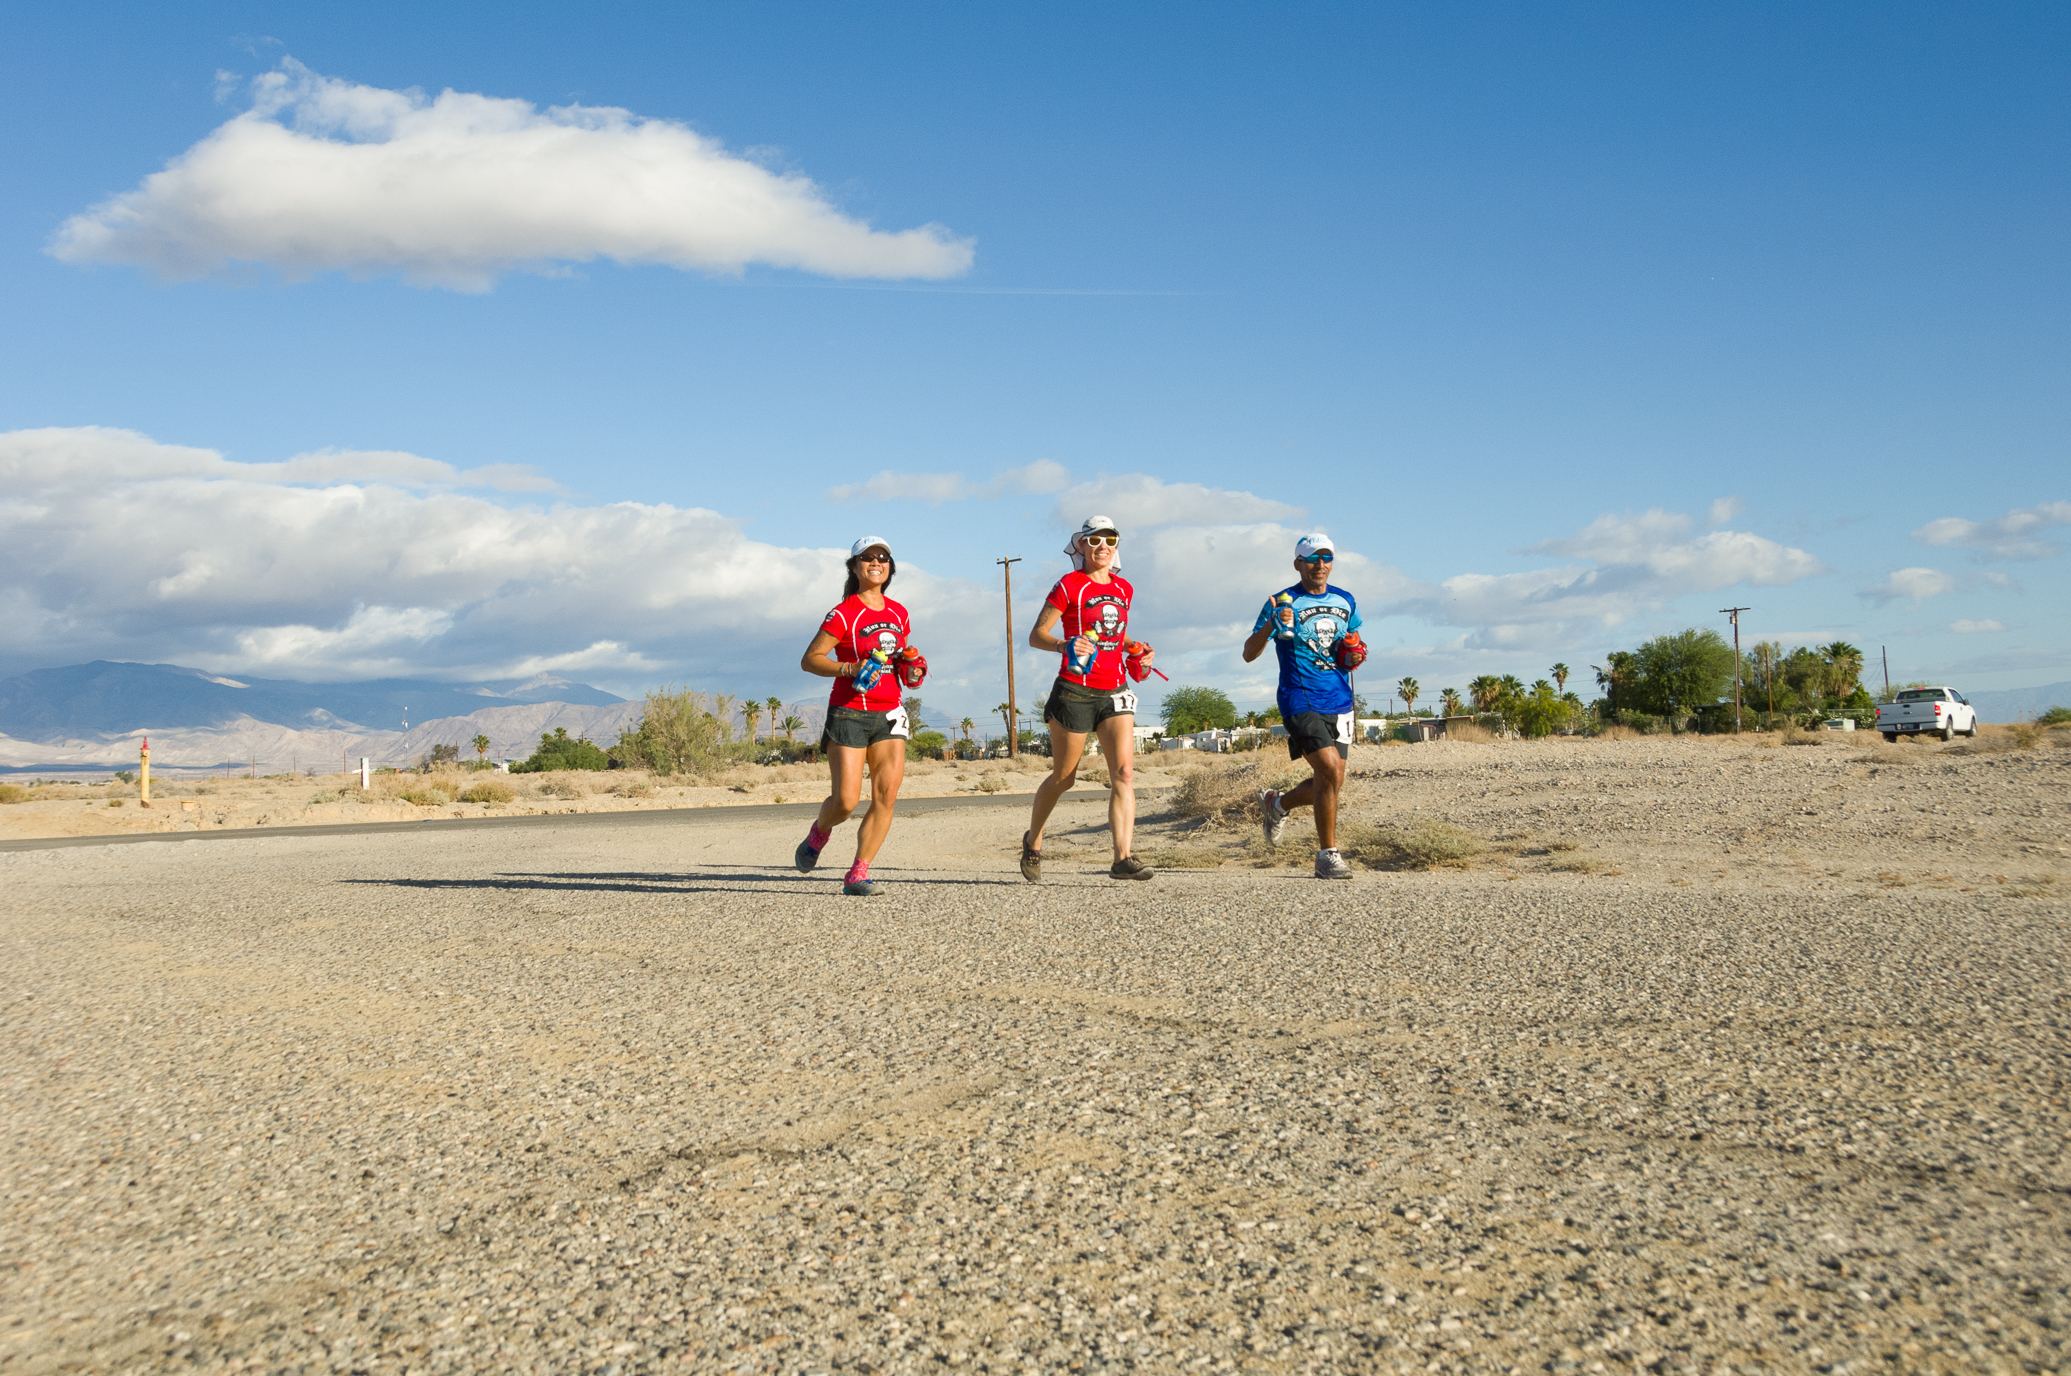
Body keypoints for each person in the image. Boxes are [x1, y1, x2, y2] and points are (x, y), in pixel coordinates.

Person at [1021, 515, 1157, 882]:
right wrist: (1065, 644)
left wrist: (1138, 651)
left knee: (1124, 773)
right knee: (1064, 779)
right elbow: (1036, 636)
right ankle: (1034, 840)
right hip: (1074, 690)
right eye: (1093, 540)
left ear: (1116, 547)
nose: (1102, 547)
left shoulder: (1124, 588)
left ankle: (1122, 858)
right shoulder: (1069, 585)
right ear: (1081, 546)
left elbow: (1116, 636)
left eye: (1109, 540)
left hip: (1115, 689)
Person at [795, 537, 925, 896]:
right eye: (867, 557)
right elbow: (810, 659)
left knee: (886, 796)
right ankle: (819, 833)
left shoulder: (899, 613)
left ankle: (858, 872)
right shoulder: (843, 613)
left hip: (889, 712)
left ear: (890, 568)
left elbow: (897, 660)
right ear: (854, 567)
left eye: (883, 557)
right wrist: (849, 668)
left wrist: (910, 666)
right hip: (849, 712)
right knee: (846, 802)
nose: (876, 562)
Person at [1242, 533, 1365, 879]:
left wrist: (1353, 653)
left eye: (1327, 558)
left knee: (1332, 781)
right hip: (1299, 696)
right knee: (1329, 770)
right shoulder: (1282, 601)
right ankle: (1328, 856)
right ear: (1298, 563)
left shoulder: (1345, 601)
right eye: (1312, 558)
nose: (1320, 565)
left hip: (1339, 699)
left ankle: (1277, 804)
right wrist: (1271, 623)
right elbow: (1249, 654)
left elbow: (1350, 644)